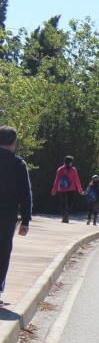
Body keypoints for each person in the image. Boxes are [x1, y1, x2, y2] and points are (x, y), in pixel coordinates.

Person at [0, 126, 32, 306]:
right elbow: (25, 195)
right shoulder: (18, 164)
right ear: (13, 142)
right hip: (7, 216)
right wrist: (26, 220)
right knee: (3, 251)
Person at [52, 156, 84, 223]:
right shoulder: (73, 170)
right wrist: (80, 189)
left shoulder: (60, 169)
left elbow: (57, 180)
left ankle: (64, 216)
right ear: (70, 162)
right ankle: (66, 216)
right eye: (71, 162)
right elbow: (77, 180)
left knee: (63, 203)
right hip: (71, 189)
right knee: (69, 204)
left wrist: (54, 190)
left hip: (62, 189)